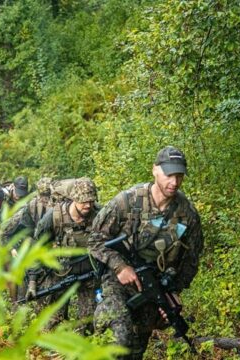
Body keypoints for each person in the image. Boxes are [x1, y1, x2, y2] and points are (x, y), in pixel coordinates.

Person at [88, 146, 203, 359]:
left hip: (153, 284)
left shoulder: (187, 214)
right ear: (155, 170)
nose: (174, 182)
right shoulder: (127, 202)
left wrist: (173, 292)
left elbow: (191, 260)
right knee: (119, 338)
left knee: (136, 350)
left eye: (179, 176)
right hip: (118, 281)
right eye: (169, 175)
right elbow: (95, 240)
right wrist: (120, 266)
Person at [30, 177, 100, 334]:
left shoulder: (100, 215)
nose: (88, 205)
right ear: (74, 198)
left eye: (91, 201)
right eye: (83, 201)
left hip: (89, 276)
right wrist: (33, 281)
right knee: (53, 321)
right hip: (60, 274)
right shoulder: (54, 217)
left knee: (88, 323)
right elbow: (38, 248)